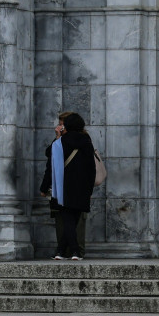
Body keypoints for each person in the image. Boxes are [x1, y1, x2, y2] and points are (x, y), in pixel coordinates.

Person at [41, 111, 98, 260]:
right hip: (82, 187)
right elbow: (91, 168)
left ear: (66, 126)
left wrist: (44, 187)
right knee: (73, 220)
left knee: (67, 220)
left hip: (63, 186)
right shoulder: (86, 142)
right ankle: (61, 251)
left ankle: (74, 252)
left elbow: (50, 161)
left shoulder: (60, 142)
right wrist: (89, 189)